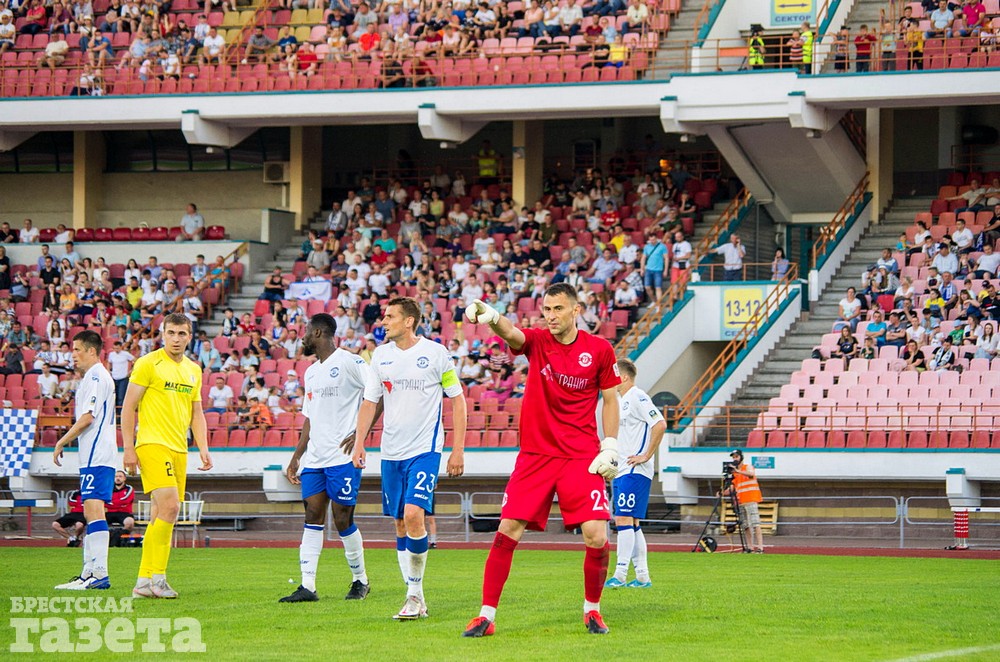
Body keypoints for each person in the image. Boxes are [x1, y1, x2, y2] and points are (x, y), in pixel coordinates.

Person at [462, 283, 621, 637]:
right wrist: (492, 317)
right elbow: (512, 333)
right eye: (546, 309)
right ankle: (486, 616)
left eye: (558, 309)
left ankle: (592, 610)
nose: (550, 316)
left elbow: (611, 400)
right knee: (508, 529)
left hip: (580, 454)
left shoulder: (599, 349)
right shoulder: (538, 342)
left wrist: (610, 444)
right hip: (535, 455)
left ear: (576, 310)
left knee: (596, 535)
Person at [352, 297, 467, 620]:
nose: (383, 321)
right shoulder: (381, 356)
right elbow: (370, 402)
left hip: (425, 449)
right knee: (401, 523)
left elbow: (457, 400)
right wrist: (359, 443)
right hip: (391, 451)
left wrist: (458, 449)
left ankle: (413, 595)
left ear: (408, 321)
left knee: (414, 513)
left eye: (390, 316)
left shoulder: (436, 354)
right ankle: (416, 596)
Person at [281, 313, 380, 603]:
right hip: (315, 458)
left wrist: (360, 434)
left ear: (318, 333)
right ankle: (307, 586)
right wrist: (297, 456)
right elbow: (309, 418)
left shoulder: (350, 362)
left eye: (306, 331)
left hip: (343, 456)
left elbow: (377, 395)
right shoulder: (311, 372)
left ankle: (360, 580)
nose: (302, 337)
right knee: (312, 515)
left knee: (342, 517)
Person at [122, 313, 213, 599]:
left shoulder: (193, 370)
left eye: (181, 333)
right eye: (171, 333)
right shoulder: (148, 363)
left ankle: (143, 581)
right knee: (172, 508)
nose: (176, 339)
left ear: (189, 336)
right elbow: (128, 407)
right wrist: (128, 448)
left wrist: (203, 447)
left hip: (179, 448)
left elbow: (196, 413)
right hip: (152, 444)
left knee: (161, 515)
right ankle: (159, 579)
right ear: (163, 334)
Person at [51, 330, 118, 590]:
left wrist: (61, 441)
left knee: (94, 510)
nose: (73, 355)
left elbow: (88, 418)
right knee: (90, 512)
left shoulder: (97, 376)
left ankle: (99, 575)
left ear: (91, 350)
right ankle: (88, 573)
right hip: (94, 453)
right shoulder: (93, 377)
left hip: (97, 453)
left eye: (77, 349)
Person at [604, 359, 665, 589]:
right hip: (622, 469)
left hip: (634, 469)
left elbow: (660, 424)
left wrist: (646, 455)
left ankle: (620, 574)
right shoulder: (620, 402)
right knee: (633, 522)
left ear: (624, 377)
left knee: (622, 518)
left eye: (614, 375)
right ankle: (642, 576)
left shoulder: (638, 396)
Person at [724, 449, 765, 553]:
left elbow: (751, 474)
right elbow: (733, 488)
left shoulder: (747, 467)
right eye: (733, 457)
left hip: (751, 499)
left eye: (736, 457)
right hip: (741, 502)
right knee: (745, 526)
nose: (735, 459)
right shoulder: (735, 474)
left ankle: (760, 547)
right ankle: (750, 547)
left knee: (755, 524)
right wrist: (722, 492)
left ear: (741, 457)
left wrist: (738, 471)